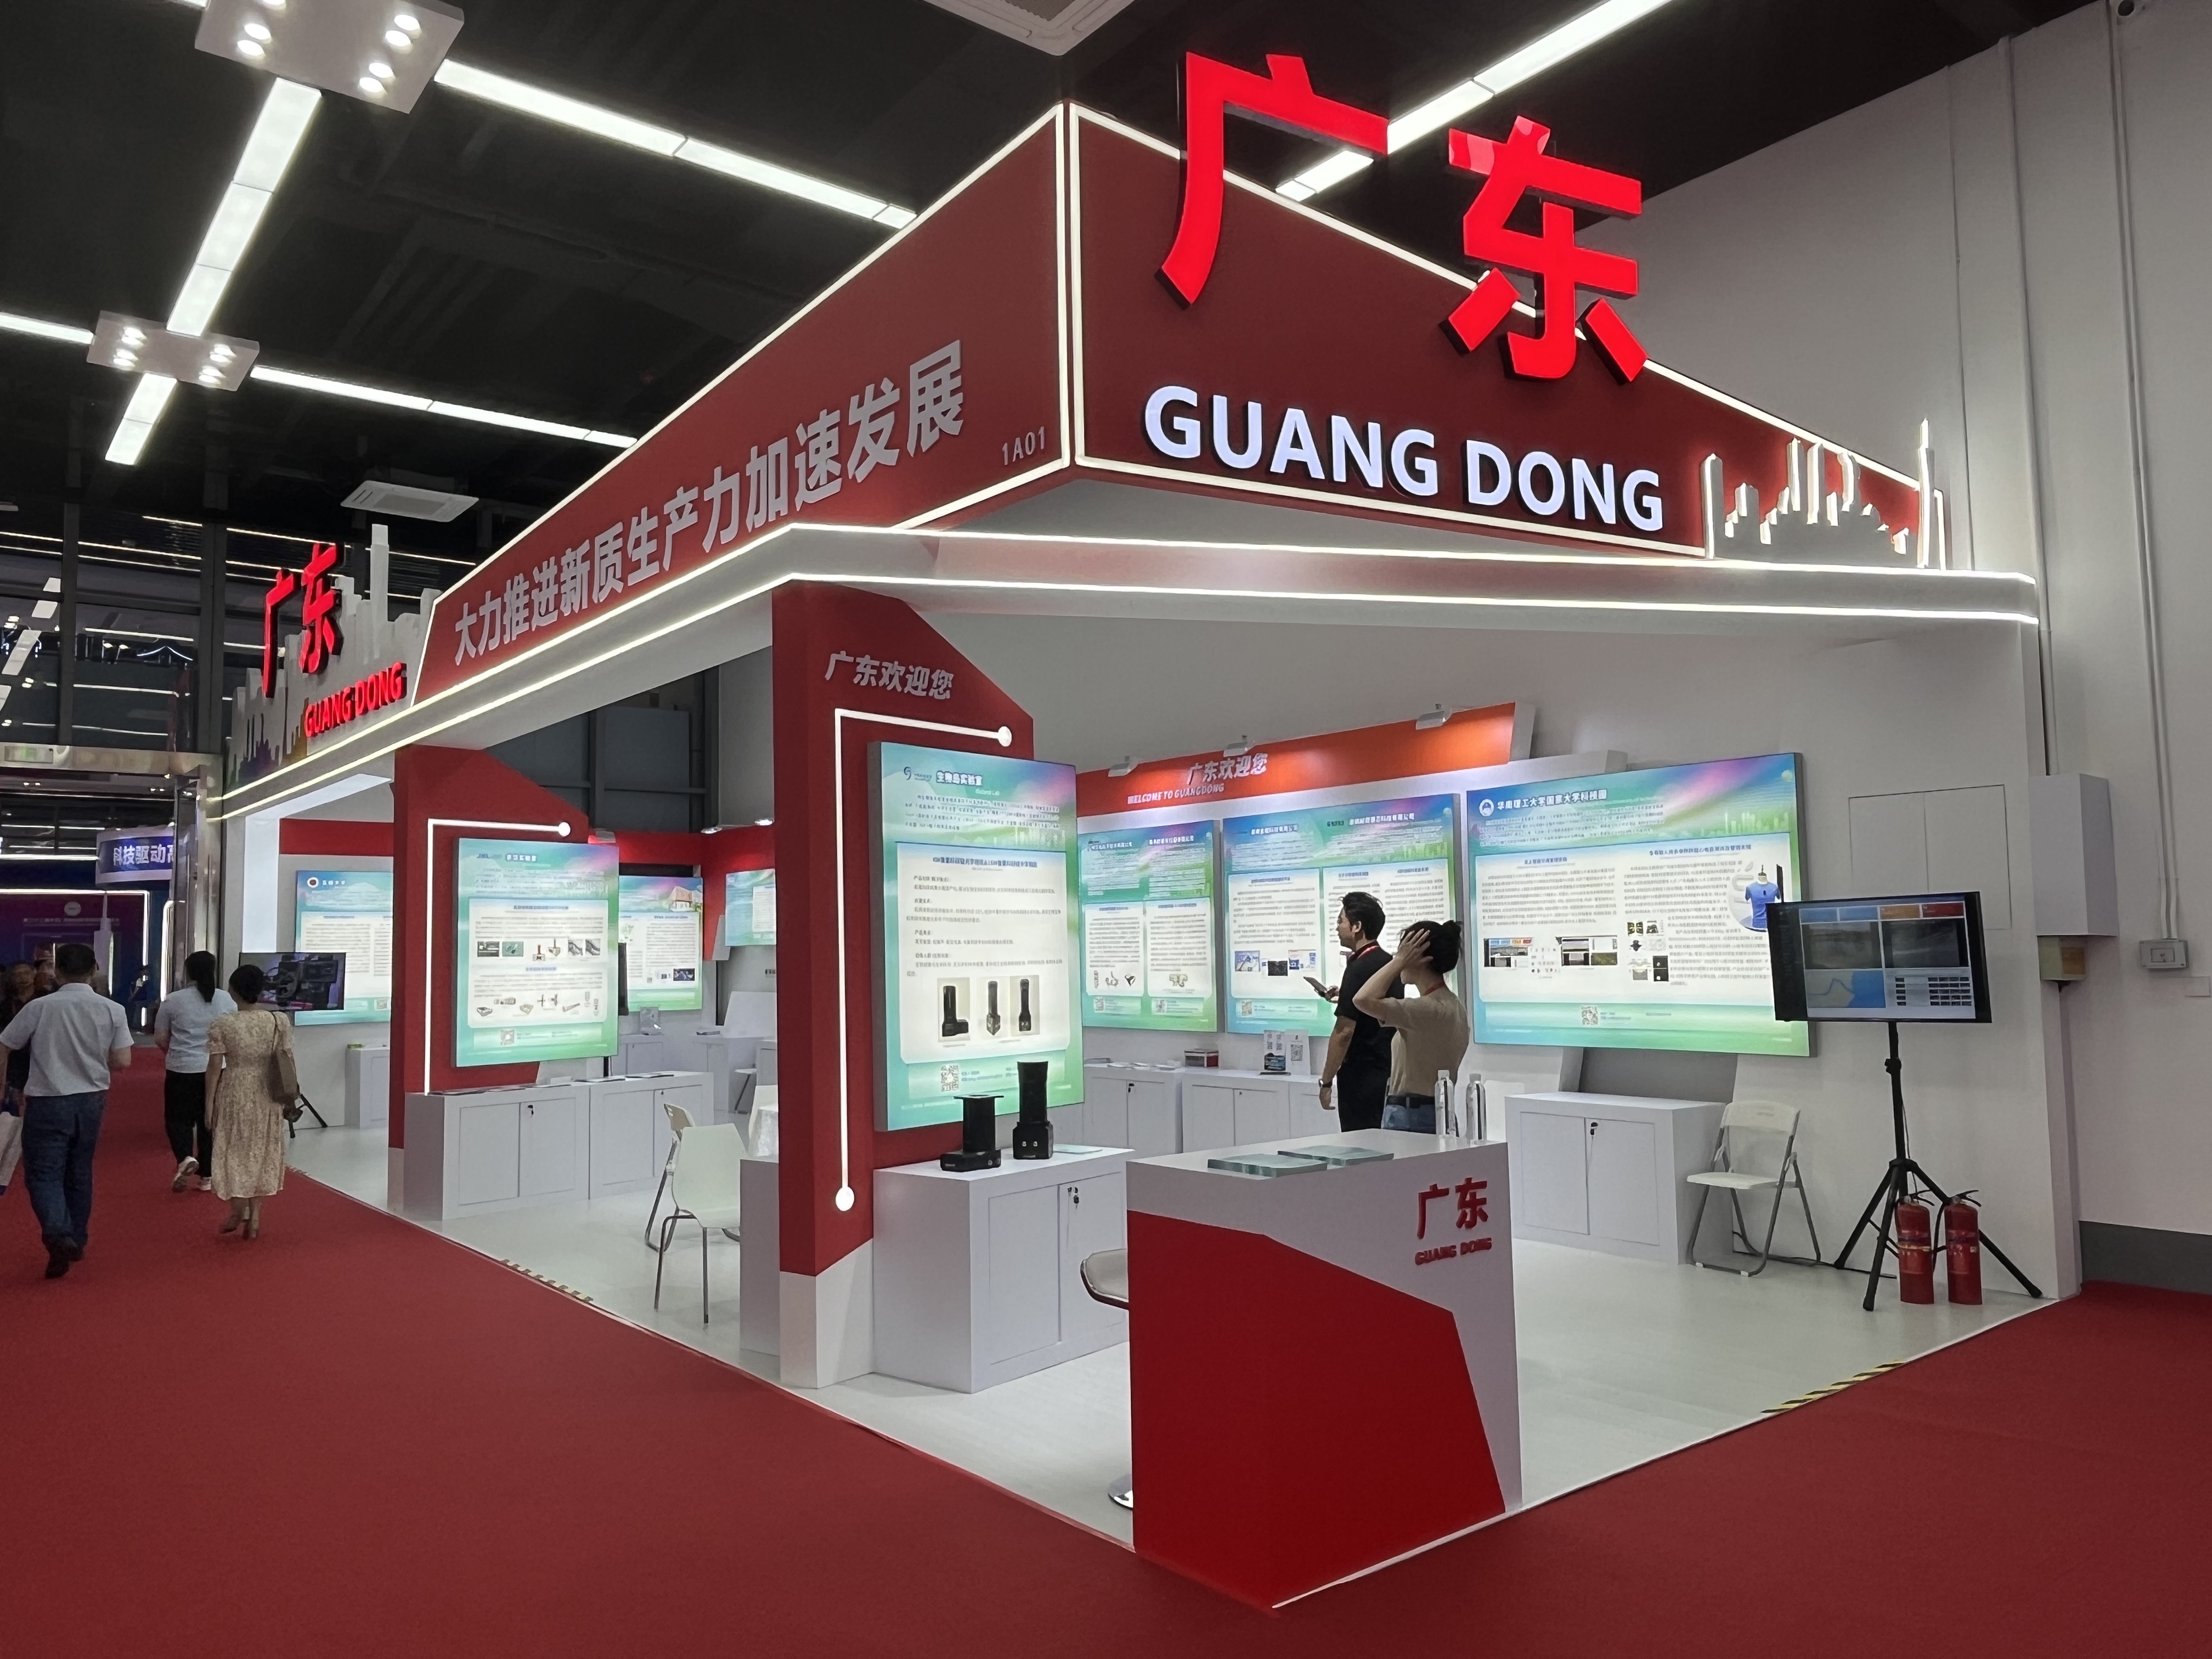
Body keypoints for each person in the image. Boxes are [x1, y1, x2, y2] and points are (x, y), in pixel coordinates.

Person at [0, 941, 134, 1279]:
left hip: (47, 1100)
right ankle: (76, 1237)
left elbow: (6, 1043)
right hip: (91, 1100)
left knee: (43, 1174)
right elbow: (122, 1061)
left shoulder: (39, 1007)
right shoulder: (112, 1009)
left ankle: (59, 1233)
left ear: (56, 972)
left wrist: (4, 1087)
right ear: (94, 971)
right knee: (79, 1170)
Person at [1355, 920, 1471, 1135]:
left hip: (1412, 1116)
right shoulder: (1454, 1005)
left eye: (1404, 952)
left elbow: (1362, 999)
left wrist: (1399, 961)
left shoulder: (1428, 1009)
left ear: (1418, 957)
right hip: (1436, 1111)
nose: (1398, 957)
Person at [205, 962, 294, 1240]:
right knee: (261, 1149)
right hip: (268, 1091)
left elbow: (214, 1068)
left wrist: (208, 1104)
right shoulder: (278, 1021)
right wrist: (290, 1096)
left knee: (235, 1149)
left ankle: (237, 1210)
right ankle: (254, 1216)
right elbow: (288, 1060)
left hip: (236, 1089)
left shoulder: (224, 1024)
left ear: (233, 991)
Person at [1312, 891, 1400, 1133]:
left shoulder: (1359, 966)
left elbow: (1344, 1032)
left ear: (1357, 927)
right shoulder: (1388, 962)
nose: (1337, 928)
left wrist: (1326, 1082)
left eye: (1341, 921)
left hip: (1361, 1077)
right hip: (1387, 1071)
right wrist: (1345, 995)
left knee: (1360, 1147)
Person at [153, 951, 235, 1194]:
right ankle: (207, 1176)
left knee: (178, 1120)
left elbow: (160, 1037)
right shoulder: (226, 1000)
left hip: (182, 1068)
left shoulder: (173, 1000)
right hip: (217, 1069)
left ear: (188, 972)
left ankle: (186, 1157)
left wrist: (175, 1051)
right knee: (209, 1121)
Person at [0, 960, 41, 1116]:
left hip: (39, 1057)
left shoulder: (45, 1000)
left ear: (33, 974)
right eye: (18, 975)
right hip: (14, 1060)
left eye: (26, 973)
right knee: (13, 1108)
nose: (23, 978)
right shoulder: (5, 1005)